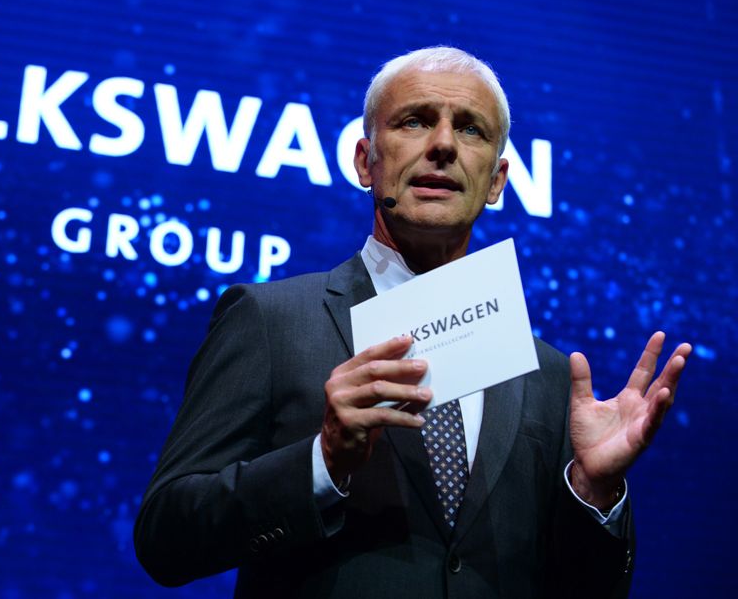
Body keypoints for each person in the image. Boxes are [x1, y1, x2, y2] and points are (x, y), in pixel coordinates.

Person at [133, 47, 690, 598]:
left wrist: (593, 492)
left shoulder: (547, 375)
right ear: (364, 161)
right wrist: (322, 462)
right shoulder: (271, 320)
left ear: (496, 181)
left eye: (471, 130)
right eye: (415, 121)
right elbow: (166, 538)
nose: (444, 145)